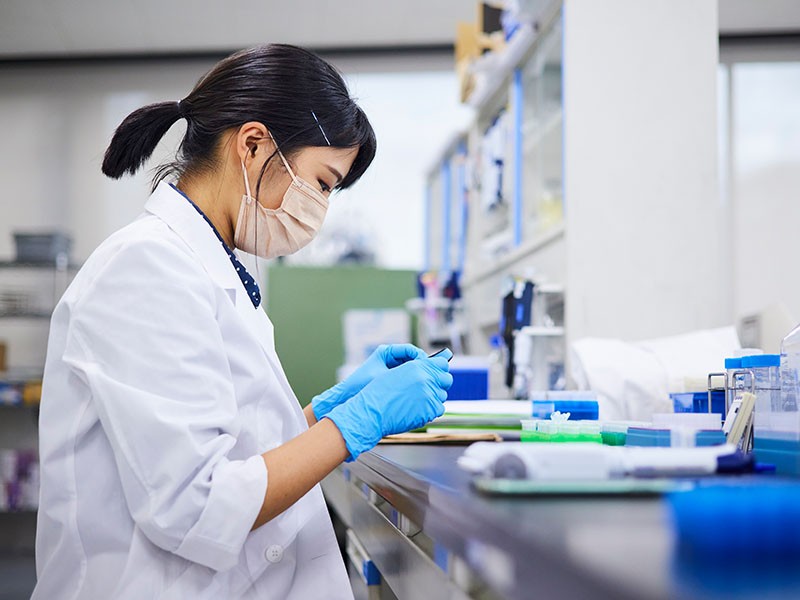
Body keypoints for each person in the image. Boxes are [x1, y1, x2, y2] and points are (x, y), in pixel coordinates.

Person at [32, 44, 452, 600]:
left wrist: (321, 413)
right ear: (254, 146)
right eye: (322, 183)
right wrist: (354, 426)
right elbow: (195, 504)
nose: (322, 208)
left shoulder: (212, 267)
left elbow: (227, 447)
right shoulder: (145, 269)